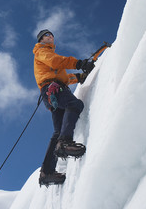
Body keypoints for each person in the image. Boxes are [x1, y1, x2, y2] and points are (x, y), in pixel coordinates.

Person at [33, 29, 95, 186]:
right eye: (47, 35)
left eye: (52, 35)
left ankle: (46, 172)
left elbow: (64, 78)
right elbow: (55, 61)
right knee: (74, 104)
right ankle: (65, 142)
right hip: (53, 88)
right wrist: (78, 63)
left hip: (53, 90)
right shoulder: (41, 51)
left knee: (58, 131)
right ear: (41, 39)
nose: (51, 37)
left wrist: (79, 77)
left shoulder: (48, 57)